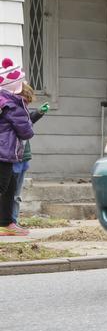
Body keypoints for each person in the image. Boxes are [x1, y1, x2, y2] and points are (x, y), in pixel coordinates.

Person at [0, 59, 35, 236]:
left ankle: (6, 224)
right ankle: (6, 223)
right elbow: (26, 132)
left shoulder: (2, 100)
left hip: (6, 153)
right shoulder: (13, 104)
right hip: (4, 153)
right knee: (3, 188)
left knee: (10, 188)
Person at [11, 82, 48, 227]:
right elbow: (23, 128)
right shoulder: (10, 111)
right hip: (13, 157)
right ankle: (9, 221)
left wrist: (38, 113)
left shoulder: (21, 110)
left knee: (16, 195)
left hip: (23, 157)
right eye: (25, 100)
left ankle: (14, 221)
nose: (26, 103)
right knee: (10, 194)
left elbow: (26, 123)